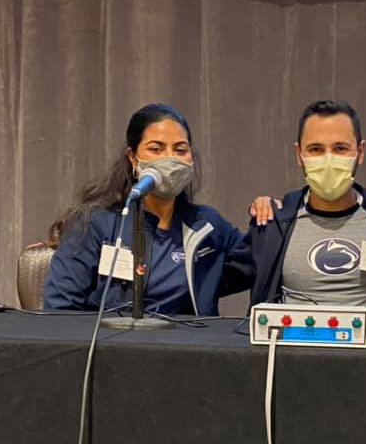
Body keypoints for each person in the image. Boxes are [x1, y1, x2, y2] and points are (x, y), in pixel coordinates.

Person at [43, 103, 252, 315]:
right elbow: (60, 308)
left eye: (180, 150)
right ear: (133, 158)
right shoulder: (94, 222)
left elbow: (256, 264)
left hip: (186, 343)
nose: (170, 159)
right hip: (111, 342)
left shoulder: (206, 225)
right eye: (156, 149)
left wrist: (272, 214)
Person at [247, 100, 366, 323]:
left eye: (340, 148)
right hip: (290, 352)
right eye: (316, 149)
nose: (328, 159)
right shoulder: (275, 223)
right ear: (299, 154)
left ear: (361, 151)